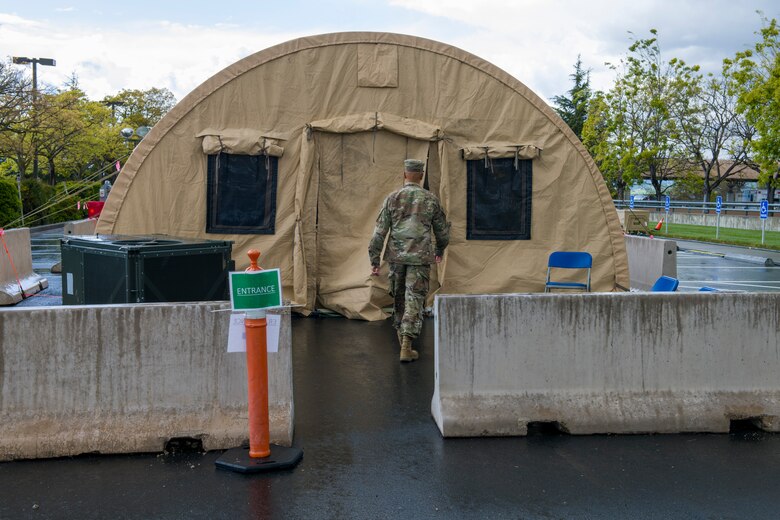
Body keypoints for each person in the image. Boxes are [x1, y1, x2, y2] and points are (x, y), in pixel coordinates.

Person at [368, 159, 450, 362]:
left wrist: (375, 260)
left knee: (399, 297)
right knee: (414, 298)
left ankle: (402, 339)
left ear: (404, 174)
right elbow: (442, 232)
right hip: (420, 258)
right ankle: (406, 344)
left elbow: (379, 233)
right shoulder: (430, 199)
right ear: (421, 176)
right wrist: (439, 250)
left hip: (396, 257)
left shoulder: (392, 198)